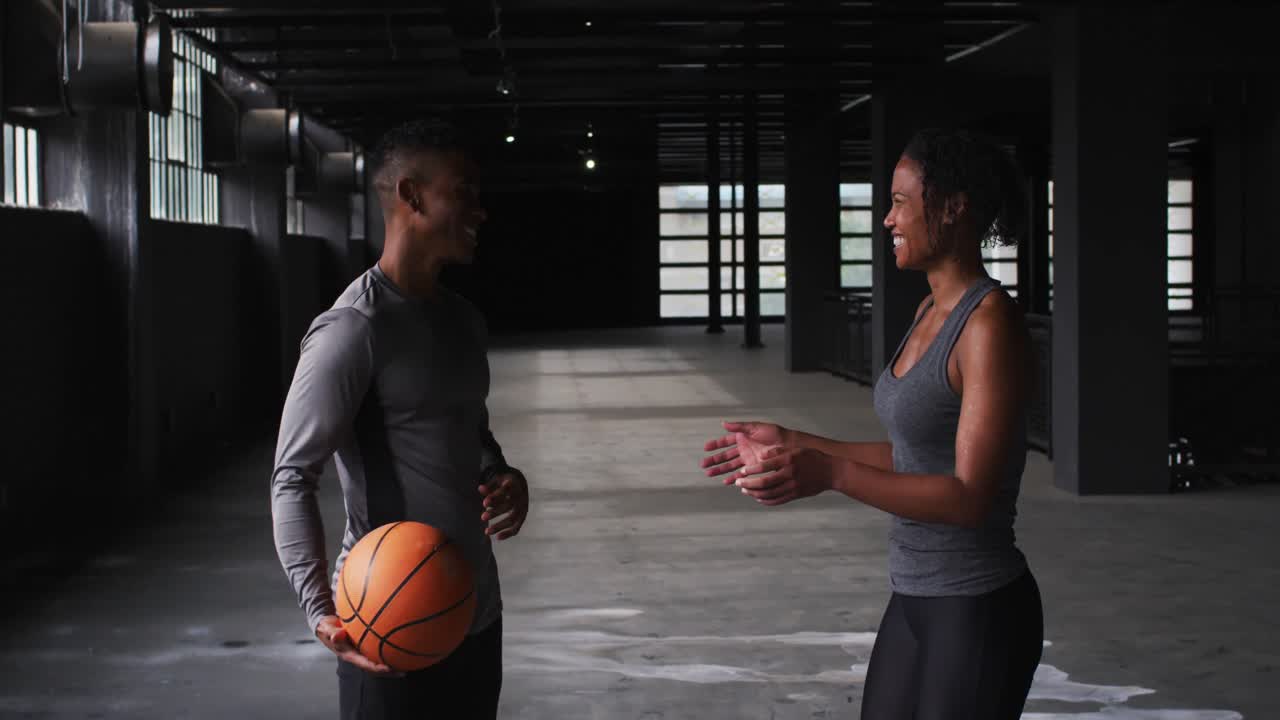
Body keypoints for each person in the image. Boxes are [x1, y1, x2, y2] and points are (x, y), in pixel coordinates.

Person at [701, 128, 1043, 719]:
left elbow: (968, 499)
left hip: (975, 603)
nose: (886, 219)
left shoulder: (988, 324)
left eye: (901, 201)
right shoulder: (926, 311)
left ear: (954, 207)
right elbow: (913, 454)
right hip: (913, 596)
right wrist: (794, 441)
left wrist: (829, 473)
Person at [270, 118, 529, 720]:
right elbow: (292, 476)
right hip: (388, 629)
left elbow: (471, 432)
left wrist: (504, 474)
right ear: (412, 196)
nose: (480, 211)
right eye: (463, 192)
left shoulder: (464, 320)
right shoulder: (352, 330)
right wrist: (320, 610)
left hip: (474, 613)